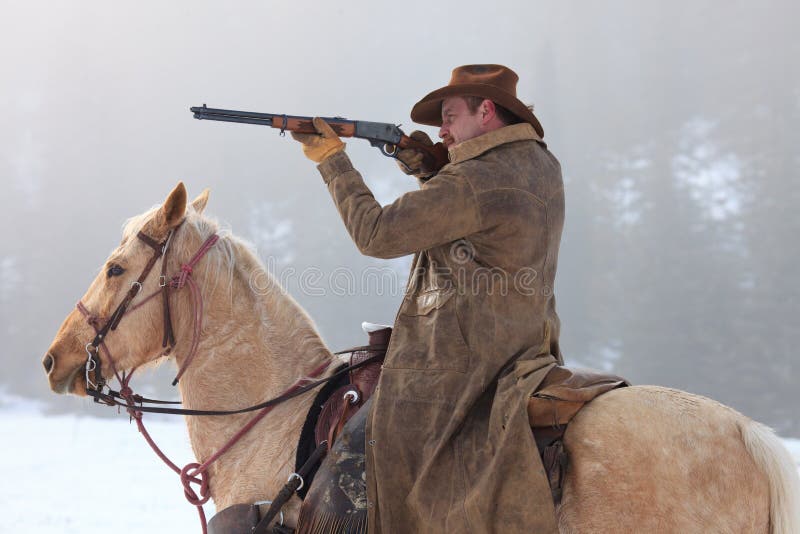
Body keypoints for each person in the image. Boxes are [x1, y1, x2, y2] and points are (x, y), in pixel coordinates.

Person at [292, 64, 564, 533]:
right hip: (526, 347)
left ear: (485, 110)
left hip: (464, 361)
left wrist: (332, 160)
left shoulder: (473, 181)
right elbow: (481, 225)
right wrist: (430, 165)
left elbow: (375, 234)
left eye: (451, 117)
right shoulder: (540, 164)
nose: (441, 129)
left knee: (370, 444)